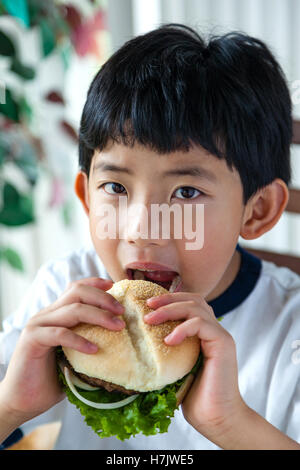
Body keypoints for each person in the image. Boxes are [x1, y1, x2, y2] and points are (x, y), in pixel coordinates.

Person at [0, 23, 299, 450]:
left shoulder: (290, 330)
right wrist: (11, 403)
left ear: (258, 210)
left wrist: (233, 425)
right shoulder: (65, 294)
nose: (143, 228)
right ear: (86, 197)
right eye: (116, 188)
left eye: (187, 192)